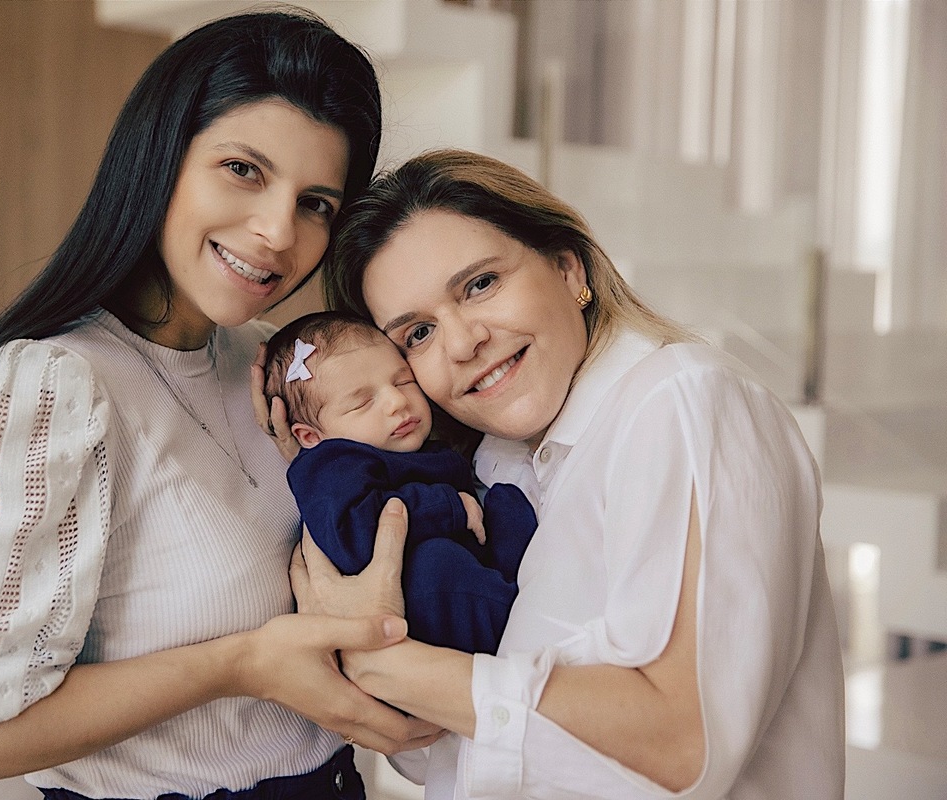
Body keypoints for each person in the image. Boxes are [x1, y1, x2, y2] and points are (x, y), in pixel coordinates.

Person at [0, 11, 442, 800]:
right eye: (243, 170)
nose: (275, 233)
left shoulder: (281, 365)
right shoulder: (56, 388)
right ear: (161, 157)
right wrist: (240, 666)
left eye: (316, 204)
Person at [278, 149, 845, 798]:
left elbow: (680, 746)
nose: (463, 343)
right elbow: (445, 754)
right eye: (418, 333)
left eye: (479, 284)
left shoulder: (681, 401)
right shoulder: (496, 470)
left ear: (568, 268)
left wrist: (381, 661)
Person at [262, 311, 537, 656]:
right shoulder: (331, 466)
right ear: (311, 436)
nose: (397, 402)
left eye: (403, 381)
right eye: (363, 402)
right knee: (437, 563)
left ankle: (529, 597)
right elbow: (354, 533)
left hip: (471, 564)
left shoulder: (404, 443)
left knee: (507, 504)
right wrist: (447, 507)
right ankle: (517, 621)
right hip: (421, 599)